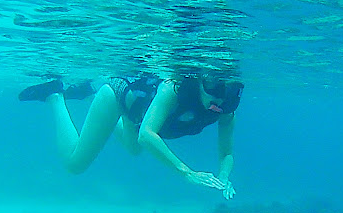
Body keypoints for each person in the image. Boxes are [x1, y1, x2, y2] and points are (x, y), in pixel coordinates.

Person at [18, 74, 244, 200]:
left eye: (226, 92)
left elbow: (227, 153)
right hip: (118, 96)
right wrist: (187, 173)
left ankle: (87, 94)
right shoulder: (173, 90)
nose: (218, 99)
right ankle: (54, 95)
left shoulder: (225, 111)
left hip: (135, 115)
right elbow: (147, 135)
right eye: (212, 86)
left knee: (133, 150)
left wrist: (223, 177)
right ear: (200, 80)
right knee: (74, 164)